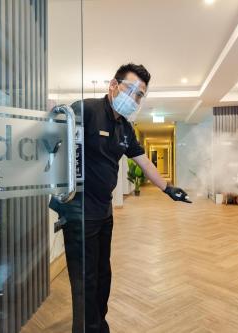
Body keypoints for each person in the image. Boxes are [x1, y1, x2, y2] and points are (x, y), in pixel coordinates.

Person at [50, 63, 191, 333]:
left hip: (103, 213)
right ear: (113, 86)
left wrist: (168, 188)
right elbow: (54, 143)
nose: (135, 98)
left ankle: (98, 324)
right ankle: (87, 328)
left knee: (103, 275)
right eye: (132, 90)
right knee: (85, 280)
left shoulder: (125, 128)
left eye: (140, 95)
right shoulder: (86, 110)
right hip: (79, 211)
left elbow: (143, 161)